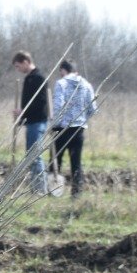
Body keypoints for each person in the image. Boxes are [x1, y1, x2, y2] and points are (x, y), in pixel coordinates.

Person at [51, 59, 97, 198]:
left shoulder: (61, 83)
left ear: (63, 70)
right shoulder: (87, 85)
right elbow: (93, 109)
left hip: (62, 129)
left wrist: (54, 124)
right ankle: (76, 193)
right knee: (76, 162)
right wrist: (82, 118)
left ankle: (54, 192)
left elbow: (58, 107)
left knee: (55, 160)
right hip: (79, 130)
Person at [11, 51, 50, 194]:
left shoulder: (38, 78)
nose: (18, 69)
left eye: (18, 66)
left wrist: (23, 112)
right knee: (30, 154)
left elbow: (40, 102)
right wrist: (21, 116)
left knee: (34, 154)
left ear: (26, 62)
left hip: (38, 121)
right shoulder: (29, 79)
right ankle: (35, 187)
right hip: (30, 121)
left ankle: (40, 189)